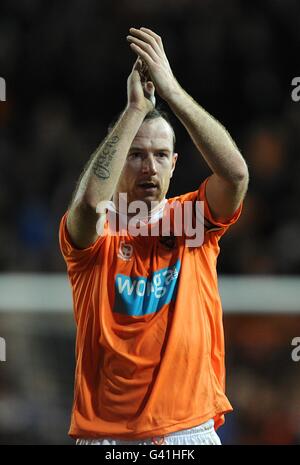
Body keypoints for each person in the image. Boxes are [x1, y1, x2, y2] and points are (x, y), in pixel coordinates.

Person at [59, 27, 249, 445]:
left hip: (188, 429)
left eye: (161, 155)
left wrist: (172, 91)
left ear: (175, 163)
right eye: (136, 155)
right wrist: (134, 110)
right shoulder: (97, 230)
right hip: (108, 437)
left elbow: (235, 175)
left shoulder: (194, 220)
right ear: (118, 155)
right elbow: (90, 202)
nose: (150, 168)